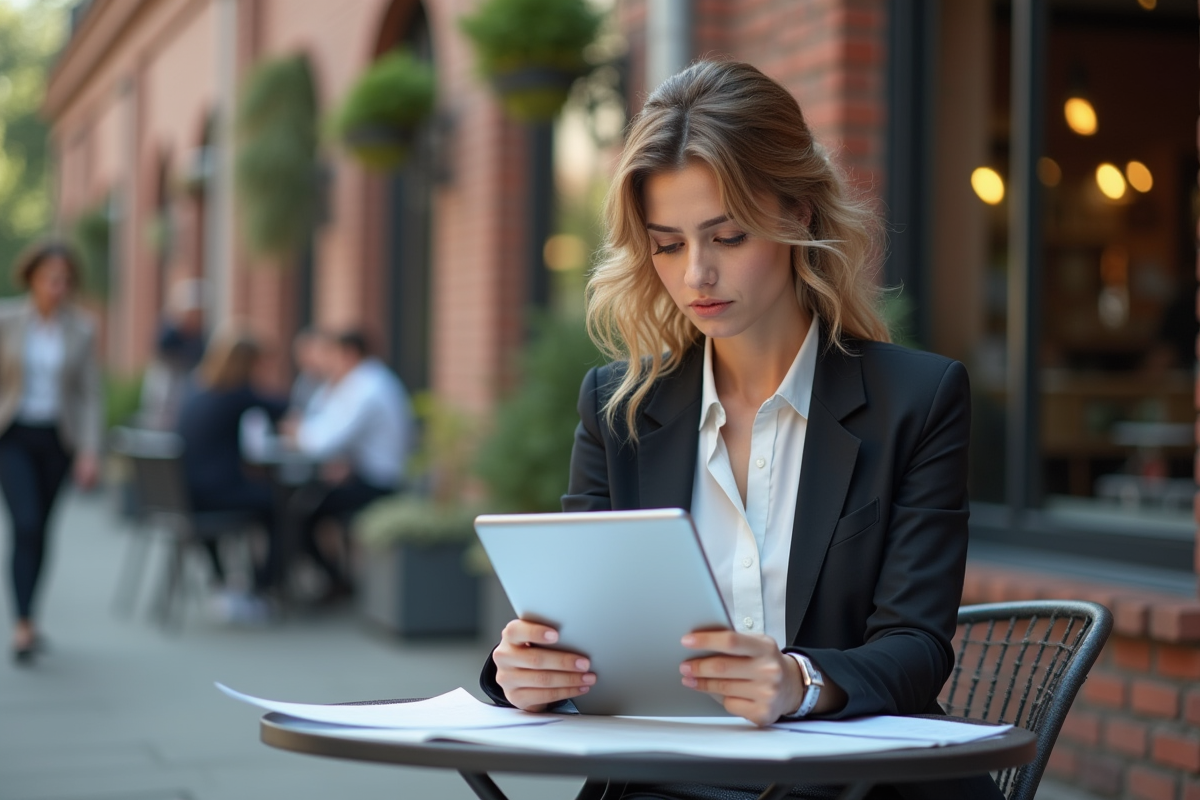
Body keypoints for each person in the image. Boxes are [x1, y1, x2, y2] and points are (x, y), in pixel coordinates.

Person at [481, 61, 999, 800]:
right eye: (667, 244)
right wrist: (525, 668)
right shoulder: (618, 408)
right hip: (665, 780)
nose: (697, 275)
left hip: (853, 784)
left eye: (727, 236)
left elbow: (916, 649)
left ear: (800, 216)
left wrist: (797, 679)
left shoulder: (917, 399)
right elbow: (577, 626)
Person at [0, 240, 102, 664]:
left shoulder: (82, 328)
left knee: (40, 529)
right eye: (49, 278)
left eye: (64, 280)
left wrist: (90, 451)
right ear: (32, 278)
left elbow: (90, 395)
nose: (57, 287)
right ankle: (21, 625)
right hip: (13, 435)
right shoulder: (6, 320)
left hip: (57, 441)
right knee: (24, 524)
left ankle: (31, 615)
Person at [285, 329, 414, 602]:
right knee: (305, 507)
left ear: (350, 354)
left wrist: (300, 434)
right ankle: (335, 581)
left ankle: (336, 583)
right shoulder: (367, 380)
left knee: (302, 514)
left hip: (380, 483)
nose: (328, 362)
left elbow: (323, 440)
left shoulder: (367, 387)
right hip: (364, 475)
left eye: (333, 355)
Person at [175, 327, 287, 619]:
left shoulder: (197, 390)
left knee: (265, 501)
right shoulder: (237, 394)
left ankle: (224, 584)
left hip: (188, 495)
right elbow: (283, 408)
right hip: (214, 495)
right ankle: (263, 588)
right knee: (279, 507)